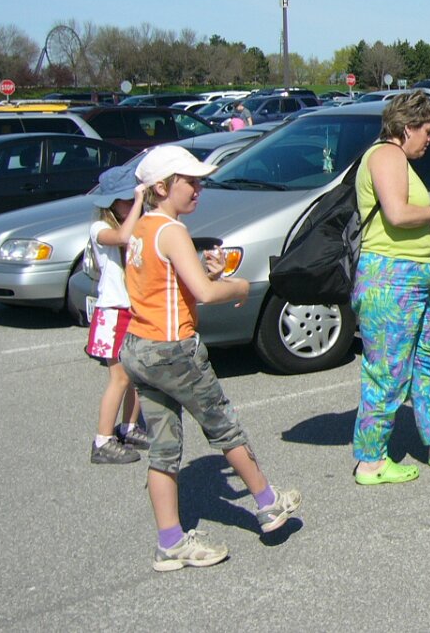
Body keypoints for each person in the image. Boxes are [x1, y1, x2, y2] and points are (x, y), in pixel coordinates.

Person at [119, 146, 301, 572]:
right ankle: (268, 503)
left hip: (140, 347)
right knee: (224, 427)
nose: (198, 188)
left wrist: (210, 273)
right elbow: (204, 293)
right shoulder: (172, 231)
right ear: (161, 187)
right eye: (189, 182)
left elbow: (169, 285)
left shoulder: (142, 227)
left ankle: (170, 541)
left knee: (163, 450)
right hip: (174, 350)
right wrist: (237, 286)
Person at [352, 90, 430, 483]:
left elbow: (401, 222)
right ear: (407, 127)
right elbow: (396, 213)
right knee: (387, 373)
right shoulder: (386, 155)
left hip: (408, 282)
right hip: (390, 282)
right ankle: (371, 460)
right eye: (427, 130)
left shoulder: (396, 158)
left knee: (426, 369)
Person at [85, 166, 148, 465]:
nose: (131, 203)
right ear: (110, 202)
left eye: (133, 198)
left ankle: (129, 427)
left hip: (134, 307)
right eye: (126, 199)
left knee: (136, 374)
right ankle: (103, 440)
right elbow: (122, 237)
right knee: (119, 377)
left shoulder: (134, 221)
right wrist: (139, 202)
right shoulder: (100, 227)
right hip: (113, 310)